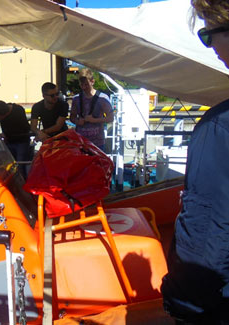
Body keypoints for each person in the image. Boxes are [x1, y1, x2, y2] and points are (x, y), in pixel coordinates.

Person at [161, 1, 229, 323]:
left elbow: (204, 243)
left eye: (208, 34)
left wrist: (180, 299)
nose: (211, 45)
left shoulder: (219, 129)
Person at [70, 68, 114, 151]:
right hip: (81, 142)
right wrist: (77, 121)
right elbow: (72, 117)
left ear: (92, 82)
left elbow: (110, 118)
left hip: (97, 143)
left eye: (86, 84)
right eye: (81, 84)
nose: (84, 87)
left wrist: (94, 120)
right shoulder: (76, 99)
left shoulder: (102, 98)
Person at [0, 100, 32, 178]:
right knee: (9, 165)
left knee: (20, 165)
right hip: (10, 141)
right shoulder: (4, 114)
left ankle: (22, 182)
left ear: (5, 114)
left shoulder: (18, 111)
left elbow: (25, 128)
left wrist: (7, 134)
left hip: (21, 141)